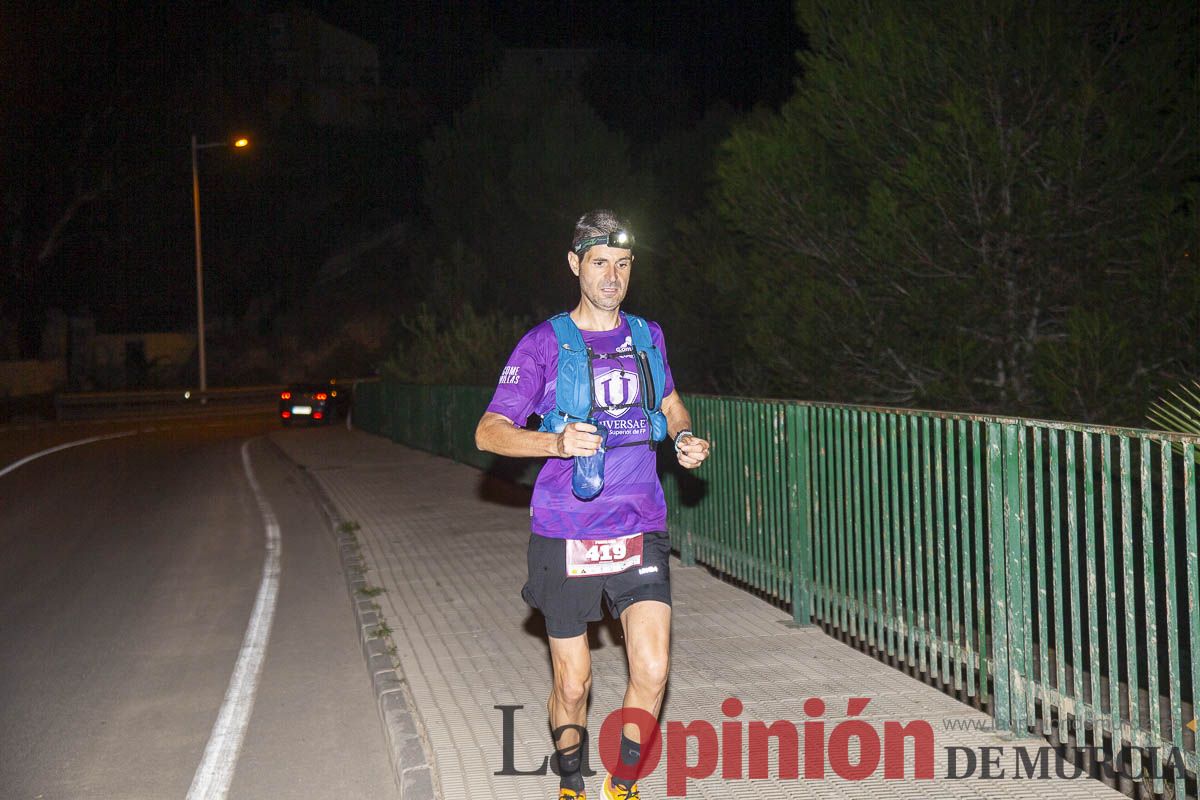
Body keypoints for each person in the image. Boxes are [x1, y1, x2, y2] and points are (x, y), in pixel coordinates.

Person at [476, 210, 710, 800]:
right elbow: (489, 432)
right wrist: (553, 442)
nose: (613, 276)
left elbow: (673, 401)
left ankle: (622, 784)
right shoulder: (543, 344)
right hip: (566, 530)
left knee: (652, 670)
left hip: (640, 527)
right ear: (576, 265)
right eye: (601, 263)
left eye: (624, 265)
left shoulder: (647, 337)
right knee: (574, 684)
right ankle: (571, 779)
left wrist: (681, 435)